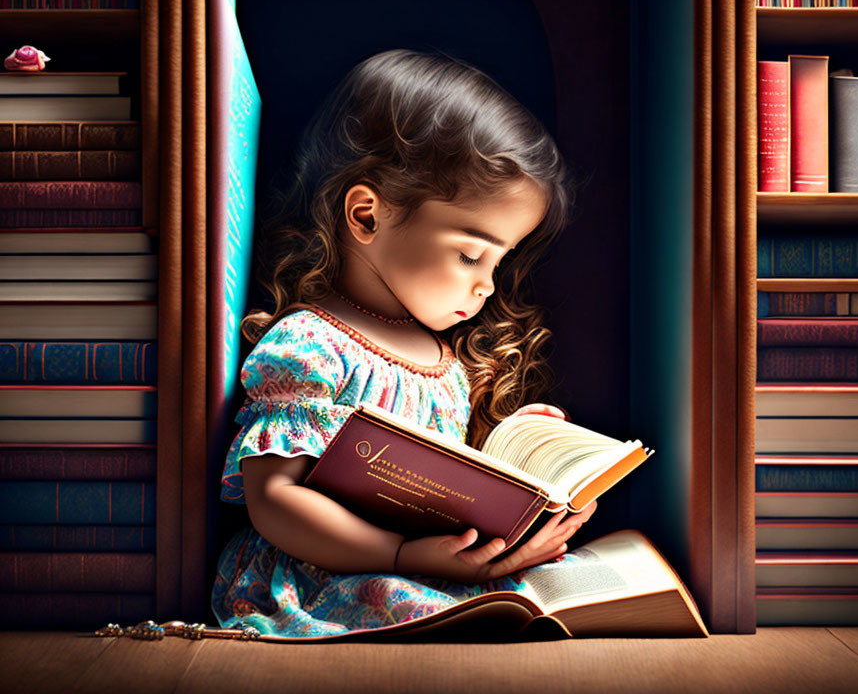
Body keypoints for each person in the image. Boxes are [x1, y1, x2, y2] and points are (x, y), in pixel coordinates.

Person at [212, 48, 597, 638]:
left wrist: (518, 460)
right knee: (422, 604)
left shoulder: (448, 362)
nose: (487, 285)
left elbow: (438, 487)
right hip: (333, 572)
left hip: (423, 562)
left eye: (502, 260)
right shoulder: (310, 346)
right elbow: (275, 500)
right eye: (470, 253)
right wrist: (397, 555)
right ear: (366, 216)